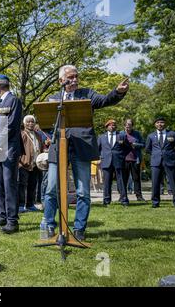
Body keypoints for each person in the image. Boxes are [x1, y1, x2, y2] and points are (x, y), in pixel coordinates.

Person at [43, 65, 129, 241]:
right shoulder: (53, 99)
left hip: (81, 146)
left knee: (83, 191)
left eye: (76, 76)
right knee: (51, 189)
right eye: (70, 77)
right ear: (61, 81)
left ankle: (79, 228)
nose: (75, 80)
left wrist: (117, 92)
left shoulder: (87, 94)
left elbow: (105, 100)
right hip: (58, 147)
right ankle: (48, 225)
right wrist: (49, 136)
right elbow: (45, 122)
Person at [0, 74, 23, 234]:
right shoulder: (0, 103)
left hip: (8, 149)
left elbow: (12, 125)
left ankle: (12, 221)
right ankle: (2, 215)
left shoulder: (14, 100)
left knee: (9, 184)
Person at [145, 117, 175, 208]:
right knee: (155, 183)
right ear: (155, 124)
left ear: (165, 124)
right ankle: (155, 203)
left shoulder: (172, 134)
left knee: (174, 183)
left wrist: (172, 154)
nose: (160, 124)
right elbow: (147, 149)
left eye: (162, 122)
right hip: (156, 162)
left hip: (170, 161)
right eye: (158, 122)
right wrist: (156, 154)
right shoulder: (151, 136)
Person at [97, 120, 131, 206]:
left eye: (114, 125)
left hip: (119, 161)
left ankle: (124, 200)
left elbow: (128, 147)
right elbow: (98, 149)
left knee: (121, 181)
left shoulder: (121, 136)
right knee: (107, 182)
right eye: (110, 125)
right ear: (107, 127)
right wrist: (101, 156)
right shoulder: (101, 137)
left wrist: (122, 156)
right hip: (106, 162)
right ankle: (106, 200)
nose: (112, 127)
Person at [18, 115, 42, 212]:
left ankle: (30, 204)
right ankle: (20, 205)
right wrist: (19, 162)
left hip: (35, 164)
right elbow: (18, 149)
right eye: (28, 122)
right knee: (22, 185)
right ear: (24, 123)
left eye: (32, 122)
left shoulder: (38, 135)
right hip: (24, 164)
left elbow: (40, 147)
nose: (30, 123)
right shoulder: (22, 134)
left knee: (32, 185)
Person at [121, 119, 145, 201]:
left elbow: (143, 144)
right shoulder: (121, 134)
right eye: (127, 125)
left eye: (130, 125)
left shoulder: (137, 134)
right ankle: (123, 196)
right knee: (124, 179)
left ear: (132, 126)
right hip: (124, 160)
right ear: (124, 125)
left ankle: (139, 196)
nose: (128, 126)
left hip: (135, 159)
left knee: (136, 178)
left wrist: (136, 145)